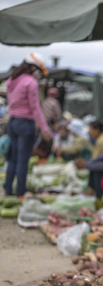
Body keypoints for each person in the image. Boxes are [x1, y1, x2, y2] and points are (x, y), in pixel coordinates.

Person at [4, 53, 51, 197]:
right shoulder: (30, 82)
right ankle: (21, 192)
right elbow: (35, 107)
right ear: (32, 67)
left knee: (13, 158)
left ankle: (8, 190)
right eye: (38, 70)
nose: (39, 74)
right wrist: (44, 128)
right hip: (25, 124)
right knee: (23, 160)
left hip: (12, 122)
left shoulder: (12, 79)